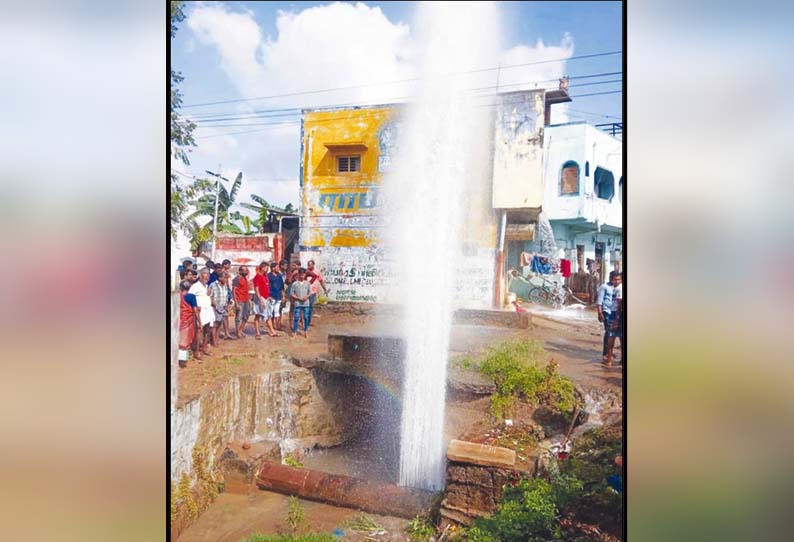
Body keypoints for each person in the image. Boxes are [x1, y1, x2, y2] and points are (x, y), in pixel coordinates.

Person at [596, 271, 622, 367]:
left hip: (615, 313)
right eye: (615, 279)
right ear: (611, 278)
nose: (617, 281)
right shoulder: (604, 287)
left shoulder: (618, 288)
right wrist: (600, 312)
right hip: (607, 312)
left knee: (617, 334)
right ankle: (606, 354)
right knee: (609, 333)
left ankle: (609, 354)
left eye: (619, 279)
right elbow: (599, 301)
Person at [189, 269, 215, 356]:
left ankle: (204, 348)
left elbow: (207, 297)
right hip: (200, 311)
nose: (207, 276)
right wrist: (195, 308)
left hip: (208, 310)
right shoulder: (195, 286)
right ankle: (196, 351)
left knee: (208, 330)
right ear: (200, 275)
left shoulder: (206, 286)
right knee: (199, 330)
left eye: (208, 274)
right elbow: (189, 298)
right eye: (205, 274)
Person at [252, 262, 275, 339]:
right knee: (258, 315)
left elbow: (266, 288)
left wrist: (268, 297)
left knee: (268, 315)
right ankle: (258, 333)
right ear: (262, 268)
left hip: (265, 298)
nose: (267, 269)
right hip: (260, 298)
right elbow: (257, 289)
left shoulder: (265, 277)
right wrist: (260, 300)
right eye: (266, 267)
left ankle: (272, 331)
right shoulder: (257, 277)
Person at [178, 280, 197, 366]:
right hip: (188, 321)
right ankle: (182, 361)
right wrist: (199, 321)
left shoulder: (177, 297)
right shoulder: (191, 297)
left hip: (179, 320)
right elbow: (195, 310)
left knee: (178, 340)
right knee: (185, 341)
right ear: (189, 288)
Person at [289, 268, 312, 338]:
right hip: (298, 303)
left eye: (303, 275)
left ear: (305, 275)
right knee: (296, 317)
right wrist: (298, 298)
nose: (302, 276)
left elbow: (310, 292)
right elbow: (292, 293)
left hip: (306, 303)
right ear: (298, 274)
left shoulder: (307, 283)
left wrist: (306, 297)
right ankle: (295, 331)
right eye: (301, 274)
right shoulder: (295, 284)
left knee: (306, 317)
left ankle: (305, 331)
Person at [210, 272, 232, 343]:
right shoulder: (213, 285)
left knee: (220, 323)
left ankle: (217, 337)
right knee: (215, 324)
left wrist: (228, 304)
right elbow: (210, 296)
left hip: (223, 306)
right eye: (225, 278)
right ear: (220, 278)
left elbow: (226, 296)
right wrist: (214, 305)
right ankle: (214, 340)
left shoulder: (225, 285)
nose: (226, 279)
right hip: (215, 307)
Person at [232, 265, 251, 338]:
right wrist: (236, 302)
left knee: (246, 316)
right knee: (238, 317)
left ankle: (240, 330)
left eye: (246, 270)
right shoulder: (237, 279)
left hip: (246, 300)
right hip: (239, 300)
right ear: (240, 271)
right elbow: (233, 291)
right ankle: (238, 332)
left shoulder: (245, 278)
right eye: (244, 270)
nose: (246, 272)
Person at [267, 261, 285, 332]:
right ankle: (271, 326)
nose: (278, 268)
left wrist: (283, 296)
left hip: (278, 296)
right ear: (273, 268)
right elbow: (267, 287)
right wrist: (268, 296)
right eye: (277, 267)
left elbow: (282, 287)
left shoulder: (279, 275)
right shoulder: (269, 276)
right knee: (271, 313)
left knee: (277, 312)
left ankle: (277, 326)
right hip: (272, 296)